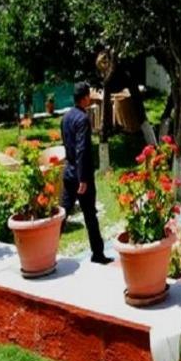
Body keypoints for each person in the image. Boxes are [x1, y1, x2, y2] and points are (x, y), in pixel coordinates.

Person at [60, 82, 111, 264]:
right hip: (82, 177)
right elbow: (82, 149)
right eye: (89, 95)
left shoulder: (65, 118)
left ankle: (49, 250)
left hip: (68, 172)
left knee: (62, 213)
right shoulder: (83, 119)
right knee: (90, 216)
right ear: (85, 98)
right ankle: (98, 254)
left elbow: (67, 145)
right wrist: (83, 178)